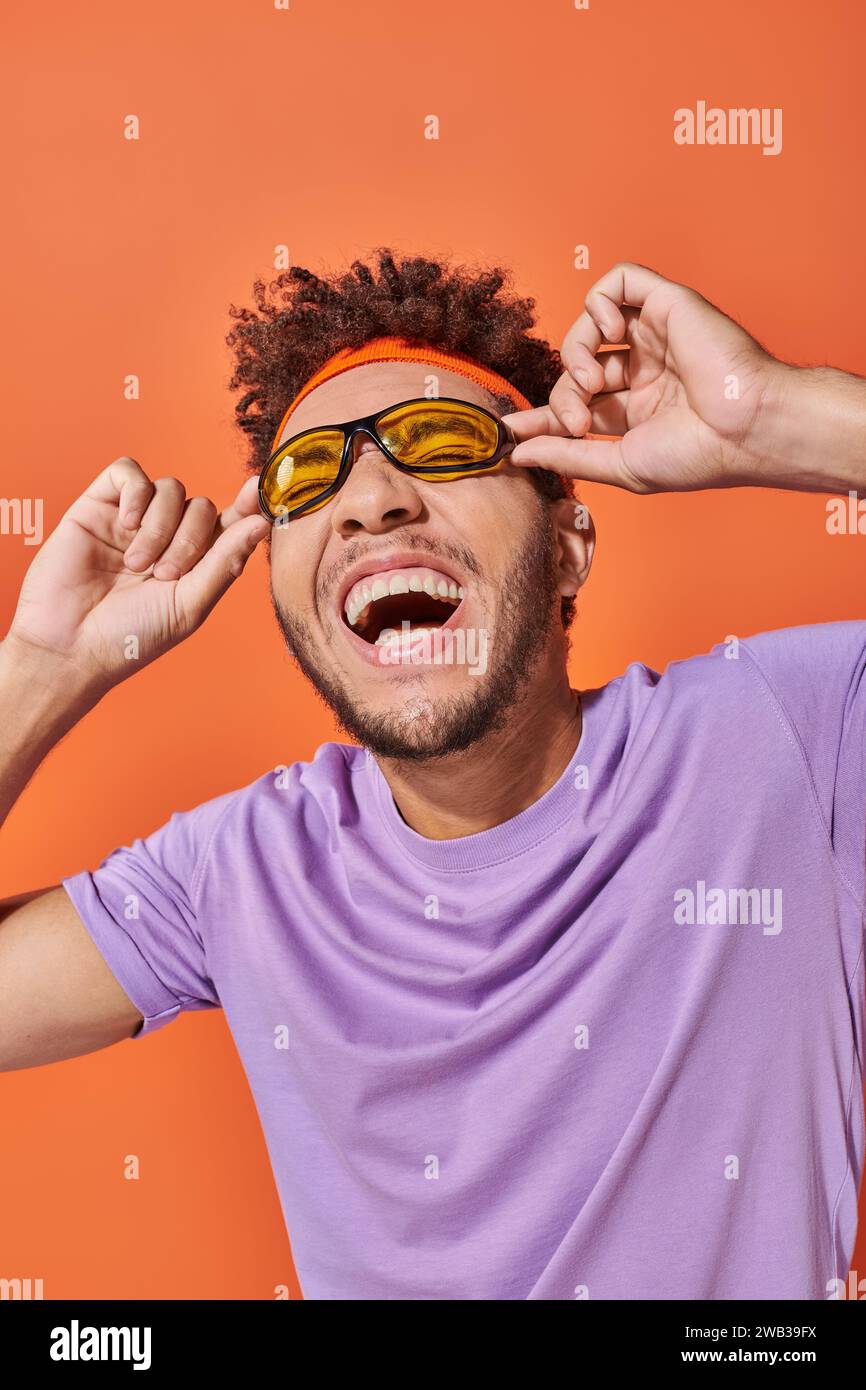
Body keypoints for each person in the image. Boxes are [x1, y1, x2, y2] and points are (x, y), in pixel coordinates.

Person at [1, 249, 864, 1301]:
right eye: (308, 476)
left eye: (442, 441)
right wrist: (43, 673)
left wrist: (781, 419)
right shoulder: (243, 870)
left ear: (568, 543)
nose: (370, 501)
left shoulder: (789, 737)